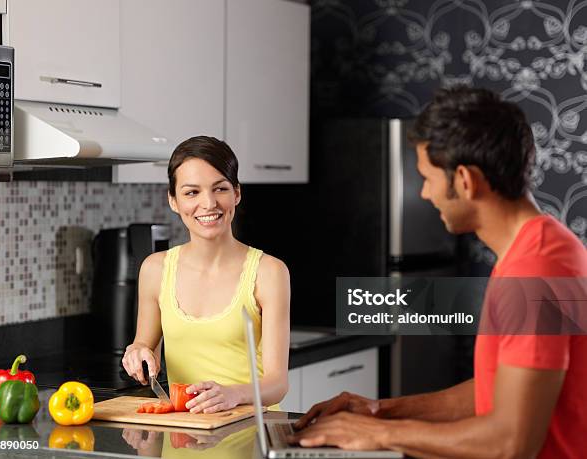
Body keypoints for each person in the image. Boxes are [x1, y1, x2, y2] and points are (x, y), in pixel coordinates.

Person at [289, 86, 587, 458]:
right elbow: (499, 389)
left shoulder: (535, 269)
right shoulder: (541, 246)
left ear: (465, 180)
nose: (426, 194)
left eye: (428, 179)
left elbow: (511, 441)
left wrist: (379, 435)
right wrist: (380, 411)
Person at [122, 136, 290, 414]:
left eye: (220, 188)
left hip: (251, 438)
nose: (208, 203)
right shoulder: (155, 269)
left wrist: (232, 394)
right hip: (182, 440)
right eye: (191, 192)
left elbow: (277, 384)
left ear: (237, 193)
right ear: (173, 200)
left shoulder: (269, 272)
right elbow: (145, 346)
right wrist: (137, 352)